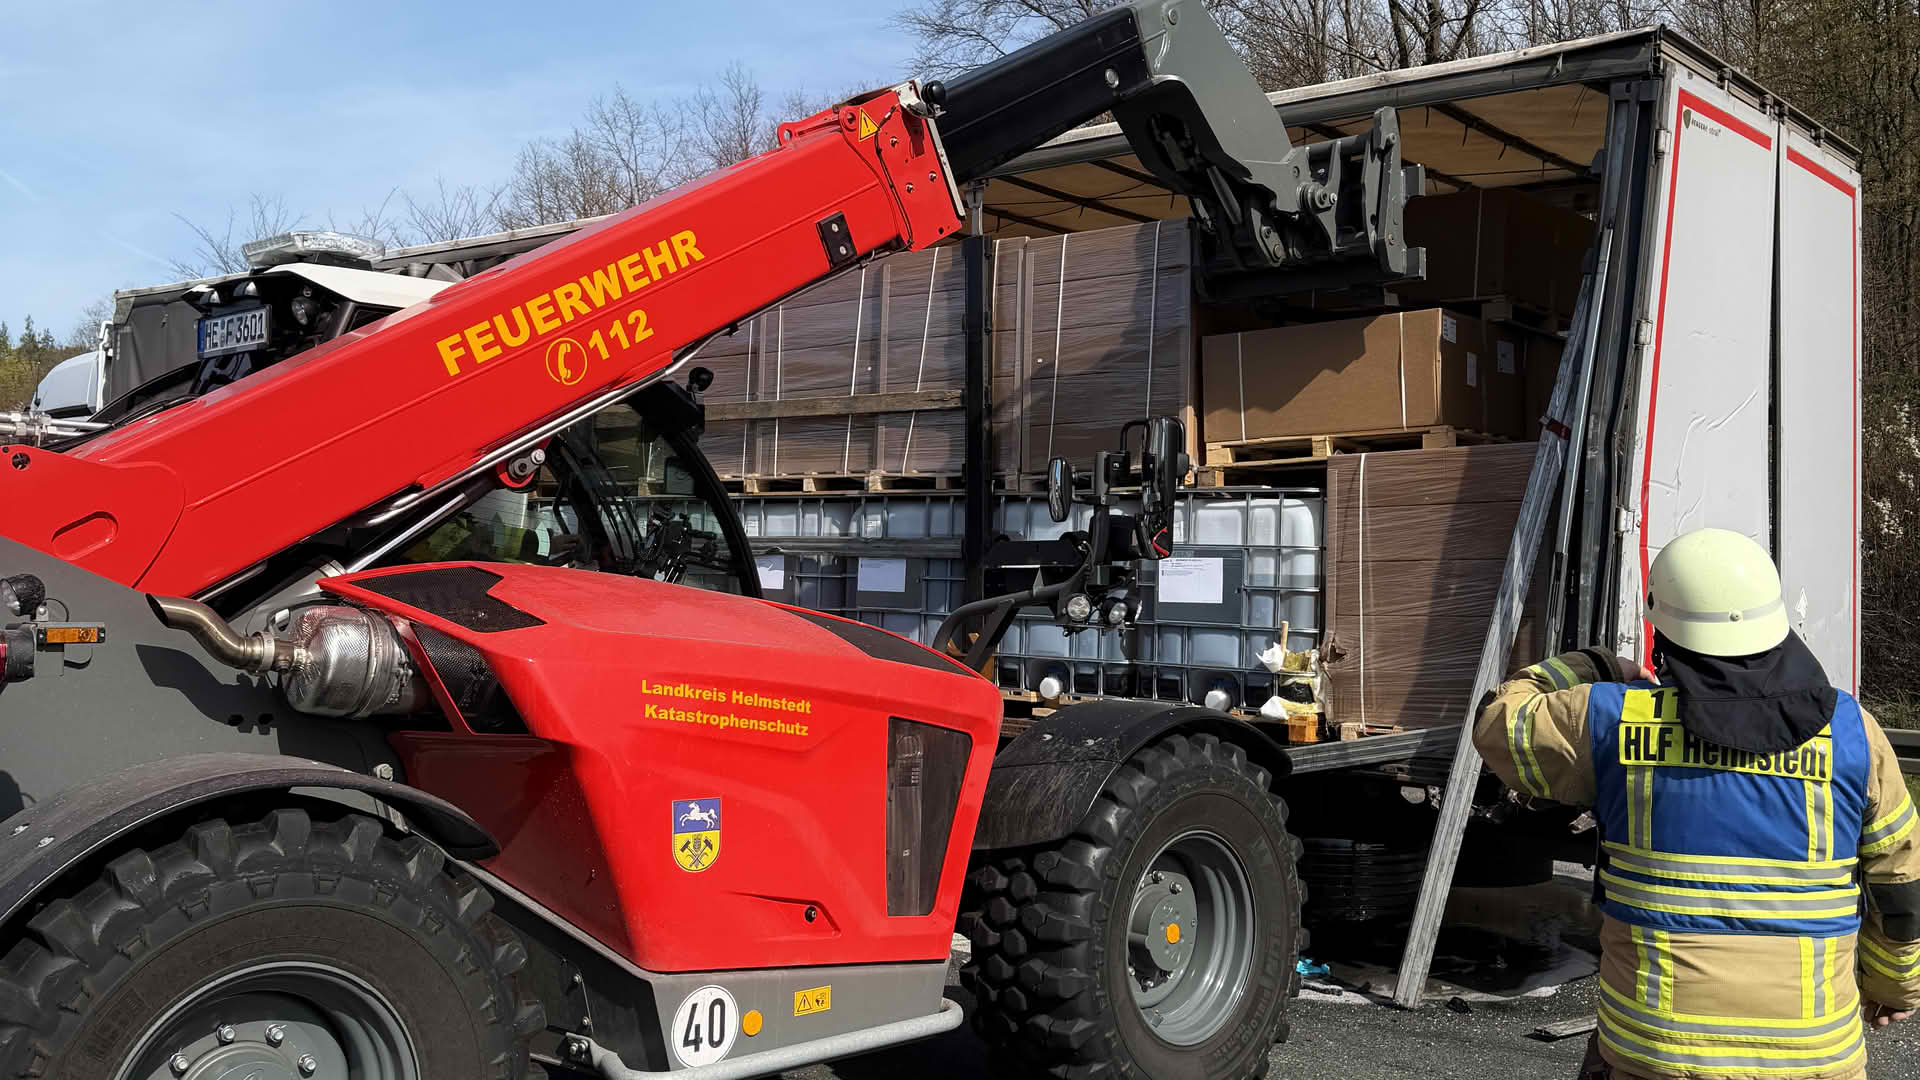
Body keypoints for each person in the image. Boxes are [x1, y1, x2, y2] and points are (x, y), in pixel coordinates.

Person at [1475, 527, 1920, 1080]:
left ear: (1665, 630)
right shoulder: (1855, 733)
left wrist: (1597, 666)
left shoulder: (1612, 720)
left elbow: (1499, 724)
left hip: (1656, 1054)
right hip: (1816, 1056)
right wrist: (1893, 986)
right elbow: (1899, 885)